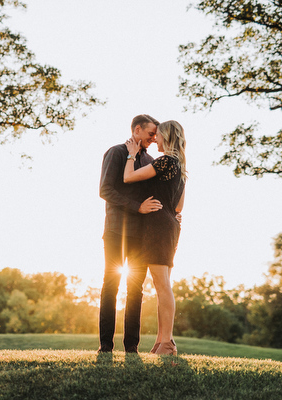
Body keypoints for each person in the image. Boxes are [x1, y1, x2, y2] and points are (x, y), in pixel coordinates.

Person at [98, 114, 163, 353]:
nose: (154, 138)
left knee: (136, 288)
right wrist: (136, 207)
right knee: (111, 284)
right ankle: (105, 345)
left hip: (141, 235)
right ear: (137, 130)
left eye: (156, 135)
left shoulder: (150, 160)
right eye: (150, 134)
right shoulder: (115, 153)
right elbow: (105, 190)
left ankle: (131, 347)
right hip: (116, 230)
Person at [123, 120, 187, 355]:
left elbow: (128, 178)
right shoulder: (180, 167)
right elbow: (179, 207)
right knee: (163, 285)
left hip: (158, 227)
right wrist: (172, 215)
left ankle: (168, 343)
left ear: (167, 137)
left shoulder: (165, 161)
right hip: (169, 226)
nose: (155, 139)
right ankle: (161, 342)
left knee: (162, 286)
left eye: (158, 135)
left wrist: (131, 155)